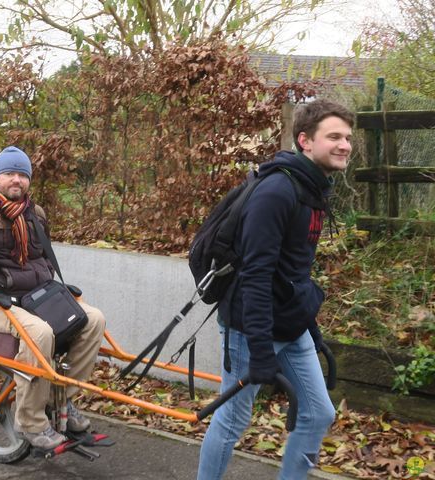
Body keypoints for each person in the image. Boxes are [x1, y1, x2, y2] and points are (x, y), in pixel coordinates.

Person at [197, 99, 354, 479]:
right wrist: (262, 351)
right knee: (233, 419)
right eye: (334, 136)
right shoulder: (277, 192)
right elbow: (256, 275)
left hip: (290, 321)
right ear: (305, 140)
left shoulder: (311, 188)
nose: (345, 145)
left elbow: (293, 269)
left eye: (348, 137)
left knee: (318, 412)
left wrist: (308, 324)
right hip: (251, 328)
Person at [0, 146, 106, 450]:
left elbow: (45, 261)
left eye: (22, 175)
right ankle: (31, 422)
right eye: (9, 173)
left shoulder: (34, 214)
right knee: (39, 332)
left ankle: (60, 400)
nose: (16, 180)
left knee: (93, 320)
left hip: (32, 299)